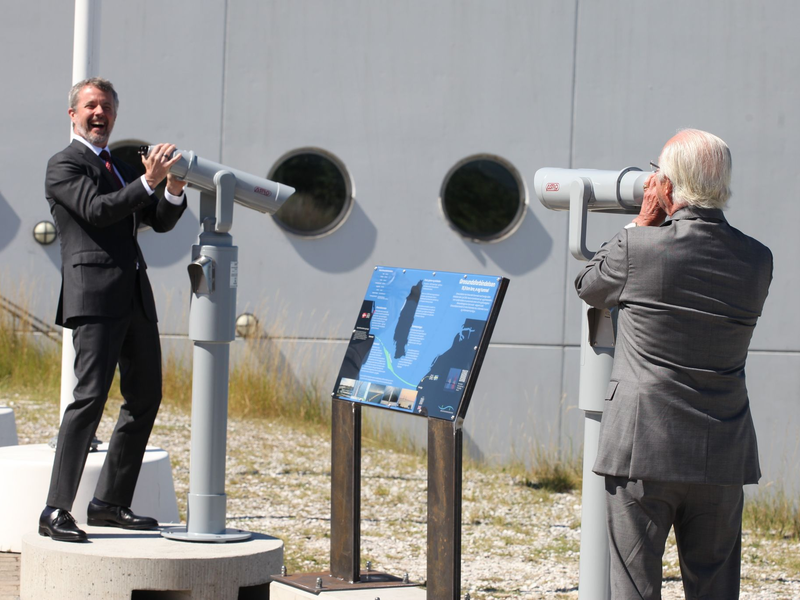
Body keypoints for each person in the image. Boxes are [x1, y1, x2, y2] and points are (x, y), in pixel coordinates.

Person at [575, 129, 772, 599]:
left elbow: (589, 284)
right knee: (715, 587)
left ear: (666, 184)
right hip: (722, 449)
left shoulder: (637, 249)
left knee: (635, 585)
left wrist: (641, 224)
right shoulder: (757, 258)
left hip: (643, 448)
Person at [39, 77, 188, 542]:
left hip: (135, 298)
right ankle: (55, 510)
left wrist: (174, 189)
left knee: (145, 397)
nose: (99, 112)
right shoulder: (63, 164)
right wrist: (149, 180)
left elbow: (157, 222)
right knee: (89, 400)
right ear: (73, 114)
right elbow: (98, 211)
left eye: (106, 106)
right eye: (90, 105)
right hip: (95, 297)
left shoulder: (120, 166)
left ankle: (110, 503)